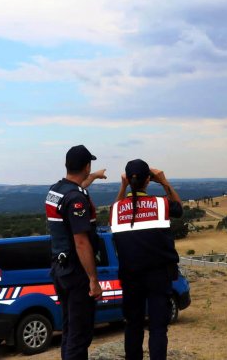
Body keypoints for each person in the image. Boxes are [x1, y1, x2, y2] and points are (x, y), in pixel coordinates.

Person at [110, 159, 183, 360]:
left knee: (133, 326)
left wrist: (123, 187)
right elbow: (179, 208)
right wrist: (165, 181)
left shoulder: (116, 209)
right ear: (148, 180)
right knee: (158, 328)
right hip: (159, 275)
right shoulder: (161, 204)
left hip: (131, 276)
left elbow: (115, 209)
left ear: (128, 180)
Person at [45, 145, 106, 360]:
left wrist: (94, 178)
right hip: (77, 273)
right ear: (86, 166)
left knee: (70, 330)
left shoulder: (57, 190)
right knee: (80, 336)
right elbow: (81, 242)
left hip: (60, 269)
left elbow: (77, 188)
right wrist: (93, 279)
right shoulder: (77, 200)